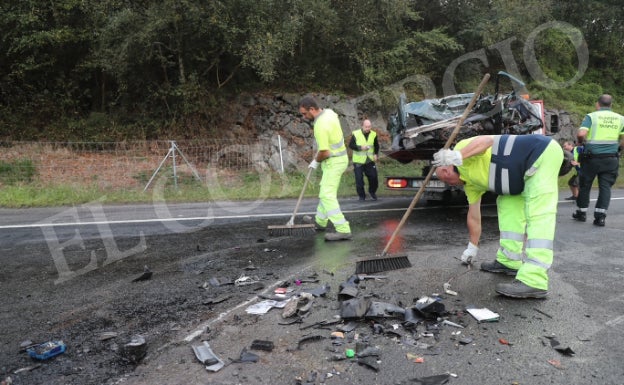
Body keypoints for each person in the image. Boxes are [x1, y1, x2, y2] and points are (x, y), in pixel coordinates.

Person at [433, 134, 563, 298]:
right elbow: (474, 216)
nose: (448, 183)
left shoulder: (462, 151)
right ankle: (509, 260)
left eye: (445, 178)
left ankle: (534, 280)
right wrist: (472, 247)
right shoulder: (470, 185)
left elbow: (487, 141)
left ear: (446, 170)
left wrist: (457, 155)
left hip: (539, 153)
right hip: (517, 178)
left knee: (538, 212)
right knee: (507, 205)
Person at [299, 95, 352, 241]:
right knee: (324, 190)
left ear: (312, 109)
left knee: (326, 195)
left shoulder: (320, 125)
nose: (304, 117)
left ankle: (343, 229)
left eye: (304, 113)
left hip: (333, 161)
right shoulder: (329, 113)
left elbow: (325, 151)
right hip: (338, 159)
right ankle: (320, 222)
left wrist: (315, 161)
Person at [573, 94, 624, 227]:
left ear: (598, 104)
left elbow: (581, 134)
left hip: (592, 158)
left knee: (585, 185)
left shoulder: (592, 116)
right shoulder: (620, 119)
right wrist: (619, 148)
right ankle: (600, 217)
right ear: (611, 105)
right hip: (611, 158)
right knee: (605, 187)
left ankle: (582, 213)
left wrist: (580, 143)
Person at [348, 119, 379, 201]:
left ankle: (372, 192)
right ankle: (362, 196)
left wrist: (375, 154)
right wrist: (360, 148)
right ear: (362, 126)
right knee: (359, 180)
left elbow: (376, 145)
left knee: (374, 177)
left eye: (369, 127)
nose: (368, 128)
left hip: (369, 160)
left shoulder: (373, 134)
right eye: (366, 127)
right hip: (358, 161)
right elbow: (351, 145)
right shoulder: (356, 133)